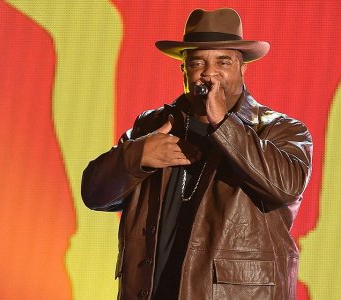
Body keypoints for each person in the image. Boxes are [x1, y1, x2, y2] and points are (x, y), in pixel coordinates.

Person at [81, 8, 313, 300]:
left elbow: (285, 187)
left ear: (243, 68)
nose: (209, 72)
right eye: (197, 62)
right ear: (184, 71)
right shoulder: (154, 126)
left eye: (223, 61)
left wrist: (225, 124)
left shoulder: (280, 130)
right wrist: (137, 155)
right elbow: (94, 193)